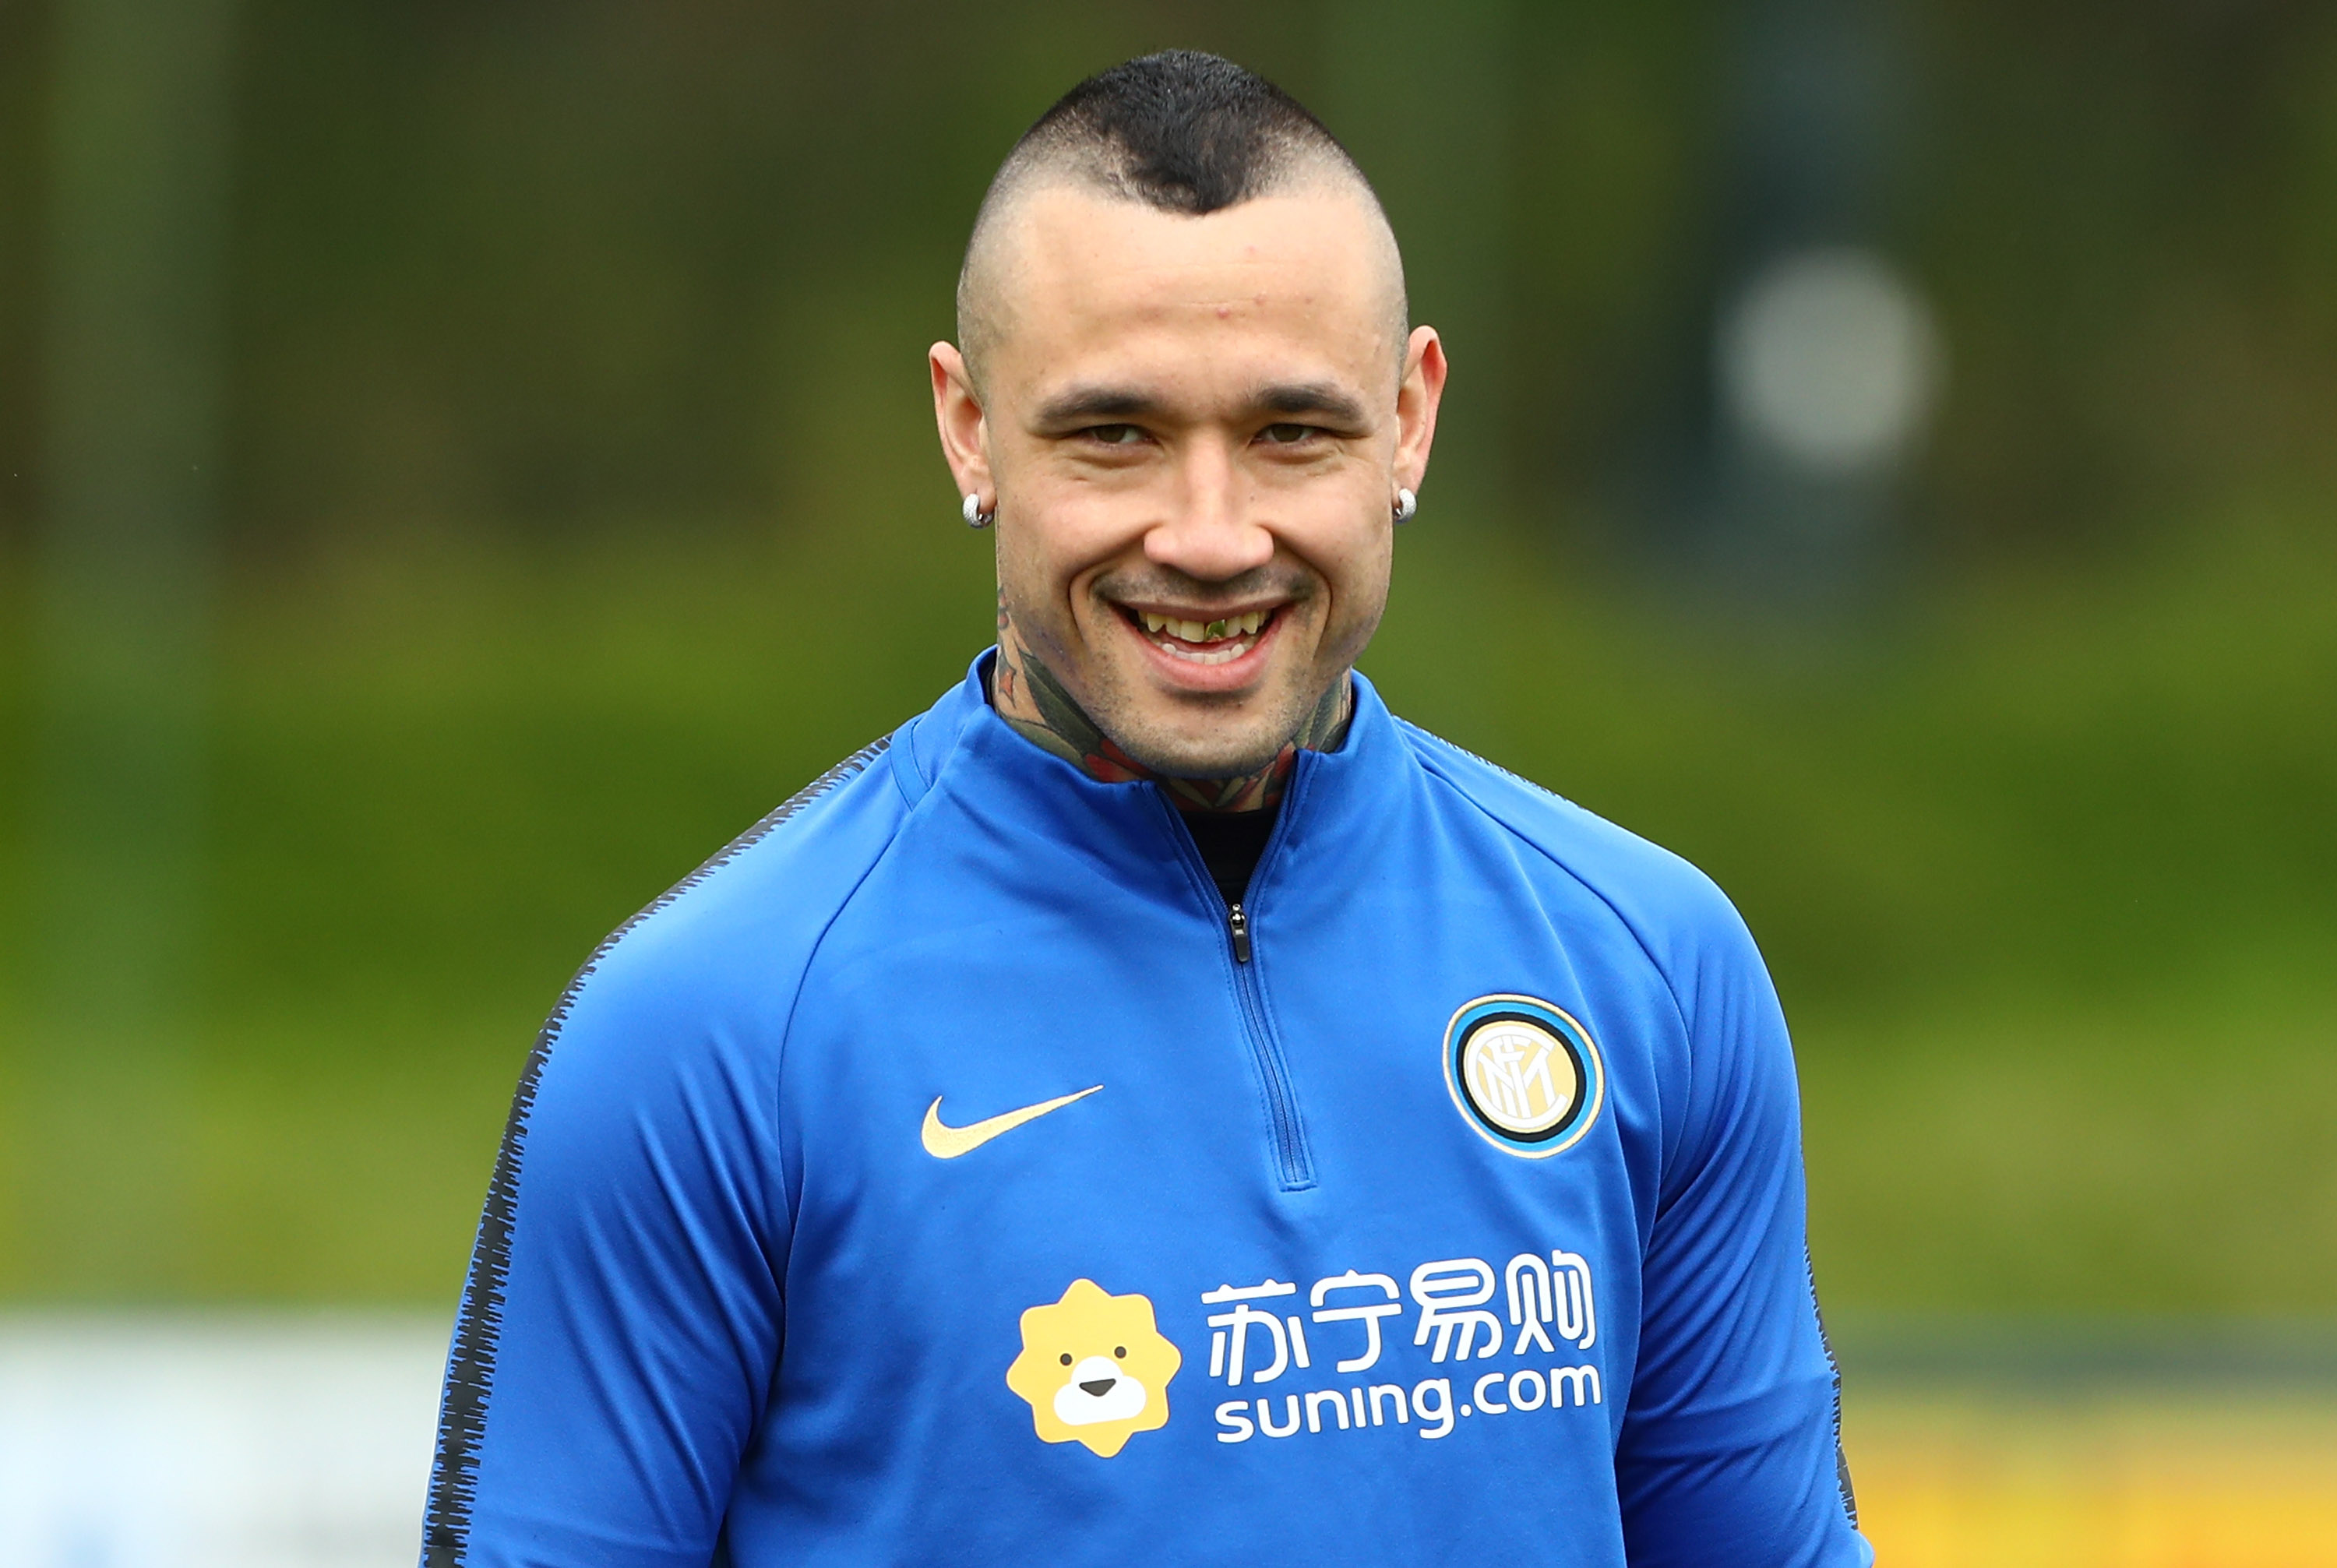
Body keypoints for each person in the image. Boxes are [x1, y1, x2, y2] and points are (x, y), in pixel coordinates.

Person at [421, 50, 1871, 1568]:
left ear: (1411, 418)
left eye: (1290, 432)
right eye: (1113, 433)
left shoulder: (1649, 963)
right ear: (970, 428)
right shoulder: (713, 1025)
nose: (1208, 531)